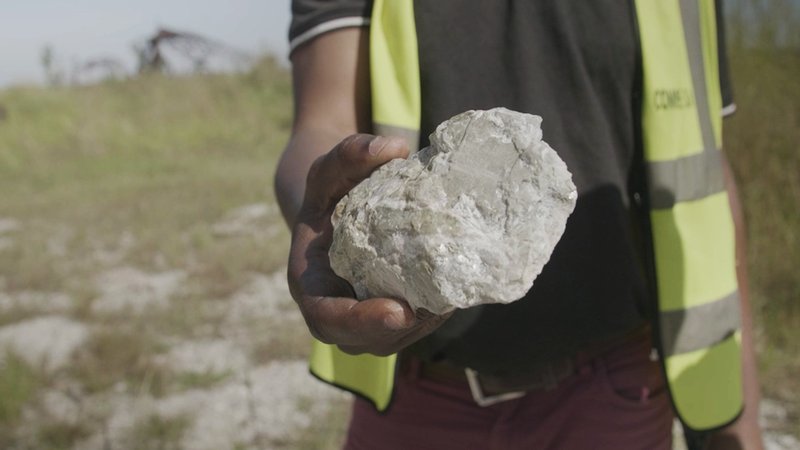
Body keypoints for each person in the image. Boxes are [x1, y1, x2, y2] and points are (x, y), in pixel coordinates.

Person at [274, 1, 764, 449]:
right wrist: (320, 218)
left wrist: (740, 420)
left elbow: (704, 170)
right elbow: (321, 120)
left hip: (618, 393)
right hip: (420, 394)